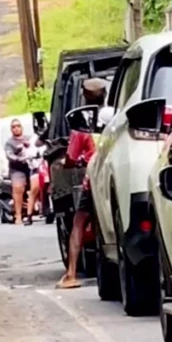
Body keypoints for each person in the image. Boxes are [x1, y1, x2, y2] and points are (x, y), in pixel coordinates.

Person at [57, 79, 106, 289]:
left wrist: (65, 163)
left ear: (84, 97)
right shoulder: (111, 117)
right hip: (109, 177)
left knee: (78, 223)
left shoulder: (81, 127)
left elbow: (70, 159)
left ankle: (71, 274)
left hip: (91, 178)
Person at [5, 118, 33, 225]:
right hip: (17, 168)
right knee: (18, 187)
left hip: (31, 167)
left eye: (18, 126)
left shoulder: (29, 139)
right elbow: (9, 155)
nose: (16, 128)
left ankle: (45, 209)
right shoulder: (9, 143)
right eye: (13, 127)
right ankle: (18, 215)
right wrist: (18, 157)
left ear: (22, 127)